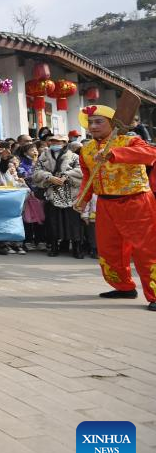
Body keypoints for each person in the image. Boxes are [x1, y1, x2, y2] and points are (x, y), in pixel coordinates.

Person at [77, 105, 156, 311]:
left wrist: (114, 153)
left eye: (98, 121)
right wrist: (83, 199)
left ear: (113, 123)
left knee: (146, 250)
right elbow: (88, 176)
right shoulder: (86, 149)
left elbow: (150, 154)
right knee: (109, 250)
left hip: (136, 201)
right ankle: (123, 287)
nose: (93, 126)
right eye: (90, 122)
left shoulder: (130, 140)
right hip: (105, 203)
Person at [32, 134, 84, 258]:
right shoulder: (43, 156)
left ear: (65, 143)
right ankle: (54, 246)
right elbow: (37, 171)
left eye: (59, 141)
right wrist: (49, 177)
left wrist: (66, 175)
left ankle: (77, 247)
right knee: (54, 222)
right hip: (52, 191)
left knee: (73, 222)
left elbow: (81, 170)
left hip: (69, 192)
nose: (55, 143)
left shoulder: (74, 156)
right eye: (53, 141)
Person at [16, 145, 46, 251]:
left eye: (36, 149)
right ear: (25, 153)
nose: (35, 151)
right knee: (28, 218)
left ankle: (40, 240)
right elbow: (23, 176)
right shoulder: (21, 164)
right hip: (28, 194)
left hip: (41, 193)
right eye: (32, 150)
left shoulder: (42, 163)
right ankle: (28, 240)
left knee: (41, 218)